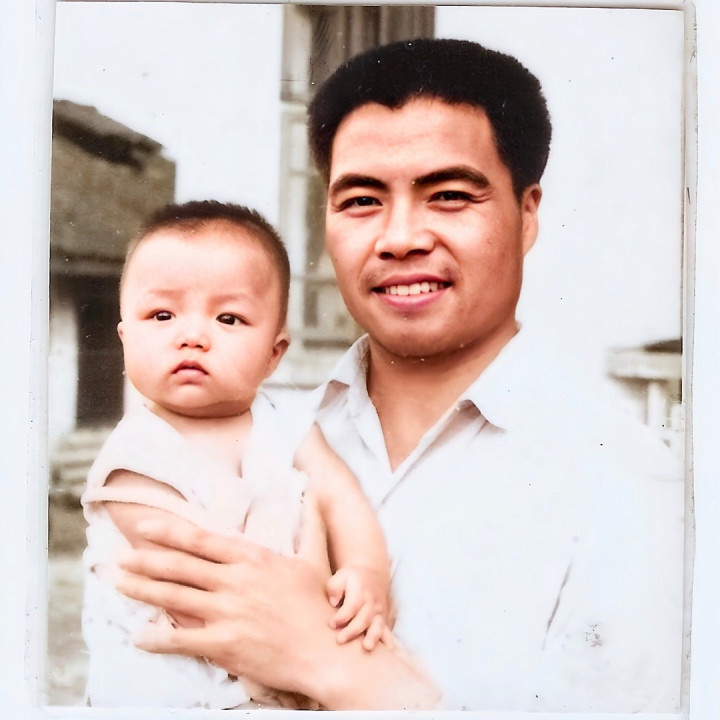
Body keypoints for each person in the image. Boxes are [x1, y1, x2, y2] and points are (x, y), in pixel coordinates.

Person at [114, 39, 685, 711]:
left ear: (527, 214)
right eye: (361, 200)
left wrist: (334, 665)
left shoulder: (627, 485)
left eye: (449, 195)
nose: (400, 238)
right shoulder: (264, 435)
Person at [80, 200, 402, 708]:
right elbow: (200, 592)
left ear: (274, 353)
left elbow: (343, 499)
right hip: (173, 695)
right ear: (125, 337)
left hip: (289, 666)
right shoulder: (133, 459)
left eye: (228, 318)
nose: (192, 336)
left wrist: (366, 572)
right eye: (162, 315)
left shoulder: (288, 424)